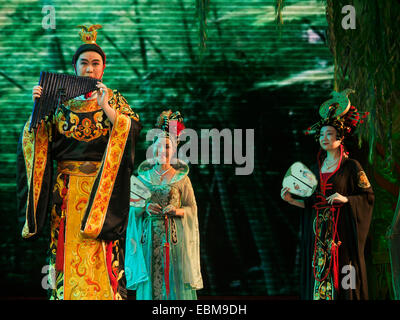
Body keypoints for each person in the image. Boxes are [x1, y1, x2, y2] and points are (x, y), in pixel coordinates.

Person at [16, 24, 142, 300]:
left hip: (103, 194)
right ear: (74, 67)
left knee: (104, 252)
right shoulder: (58, 102)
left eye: (96, 63)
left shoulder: (115, 100)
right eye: (84, 63)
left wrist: (106, 105)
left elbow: (130, 131)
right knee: (66, 250)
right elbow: (35, 142)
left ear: (103, 69)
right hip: (67, 193)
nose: (89, 69)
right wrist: (36, 109)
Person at [281, 91, 374, 300]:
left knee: (344, 278)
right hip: (318, 238)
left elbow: (368, 197)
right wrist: (292, 200)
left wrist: (348, 200)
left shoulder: (351, 167)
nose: (324, 138)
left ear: (340, 137)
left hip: (342, 237)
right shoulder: (315, 169)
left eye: (329, 134)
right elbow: (312, 203)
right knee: (319, 278)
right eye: (321, 135)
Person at [125, 110, 203, 300]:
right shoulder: (141, 178)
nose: (162, 151)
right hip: (149, 240)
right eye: (158, 147)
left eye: (167, 147)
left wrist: (177, 210)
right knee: (152, 284)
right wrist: (144, 207)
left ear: (174, 150)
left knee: (174, 283)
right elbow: (130, 212)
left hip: (175, 241)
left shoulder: (181, 178)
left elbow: (192, 209)